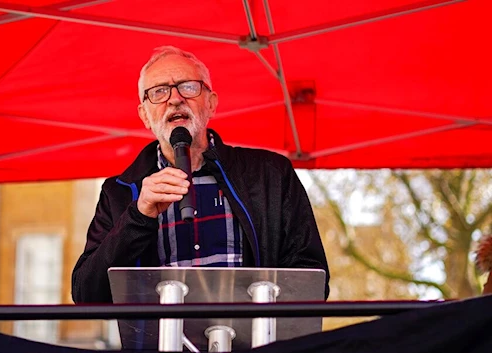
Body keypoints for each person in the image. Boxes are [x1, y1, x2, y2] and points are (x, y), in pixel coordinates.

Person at [71, 46, 329, 303]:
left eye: (188, 86)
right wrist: (138, 217)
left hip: (256, 340)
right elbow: (87, 294)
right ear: (144, 116)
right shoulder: (120, 192)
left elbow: (311, 278)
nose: (174, 99)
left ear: (211, 103)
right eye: (159, 92)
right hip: (162, 342)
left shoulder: (271, 174)